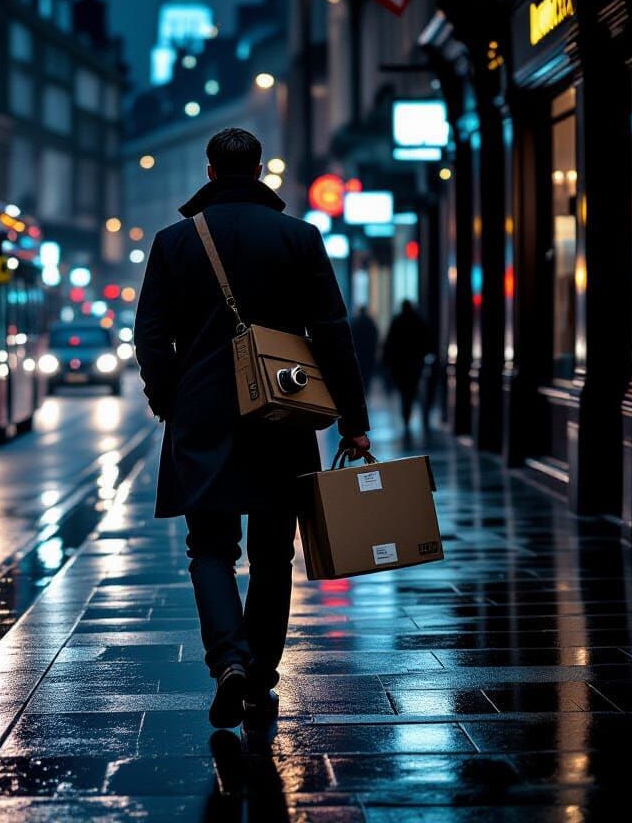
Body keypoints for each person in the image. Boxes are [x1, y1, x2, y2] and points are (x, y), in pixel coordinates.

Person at [134, 127, 370, 730]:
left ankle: (229, 662)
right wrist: (354, 422)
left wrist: (168, 400)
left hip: (202, 414)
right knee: (272, 552)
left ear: (210, 172)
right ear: (260, 170)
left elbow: (151, 336)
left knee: (209, 548)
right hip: (283, 412)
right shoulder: (299, 237)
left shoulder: (173, 242)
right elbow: (333, 333)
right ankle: (261, 670)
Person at [382, 299, 432, 439]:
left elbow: (390, 343)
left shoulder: (397, 321)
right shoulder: (418, 321)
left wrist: (387, 363)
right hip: (415, 364)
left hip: (401, 365)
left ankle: (406, 416)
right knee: (413, 390)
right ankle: (419, 415)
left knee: (405, 393)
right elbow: (427, 341)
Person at [349, 306, 379, 396]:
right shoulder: (371, 323)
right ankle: (366, 391)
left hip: (358, 354)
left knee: (360, 373)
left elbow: (352, 338)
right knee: (367, 375)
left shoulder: (356, 323)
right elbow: (375, 337)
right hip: (369, 354)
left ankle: (361, 392)